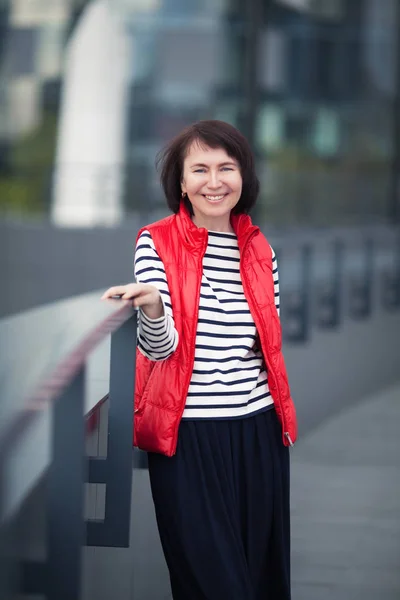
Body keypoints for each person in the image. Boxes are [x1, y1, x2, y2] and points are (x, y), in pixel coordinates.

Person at [101, 120, 297, 600]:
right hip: (187, 433)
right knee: (213, 583)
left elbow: (264, 347)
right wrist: (152, 307)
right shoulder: (157, 242)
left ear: (243, 177)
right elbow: (161, 348)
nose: (215, 181)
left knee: (260, 580)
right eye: (201, 169)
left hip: (259, 430)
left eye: (226, 168)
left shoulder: (259, 248)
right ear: (182, 182)